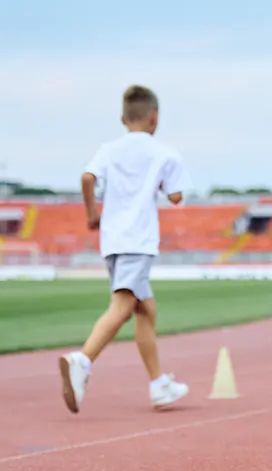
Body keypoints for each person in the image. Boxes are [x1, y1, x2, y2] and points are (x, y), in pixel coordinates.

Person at [59, 85, 192, 413]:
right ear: (154, 118)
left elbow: (87, 178)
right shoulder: (164, 153)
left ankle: (159, 384)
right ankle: (83, 361)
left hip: (112, 240)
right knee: (122, 305)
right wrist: (161, 185)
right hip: (139, 239)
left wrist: (92, 214)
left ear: (123, 118)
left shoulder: (108, 149)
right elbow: (176, 197)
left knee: (146, 310)